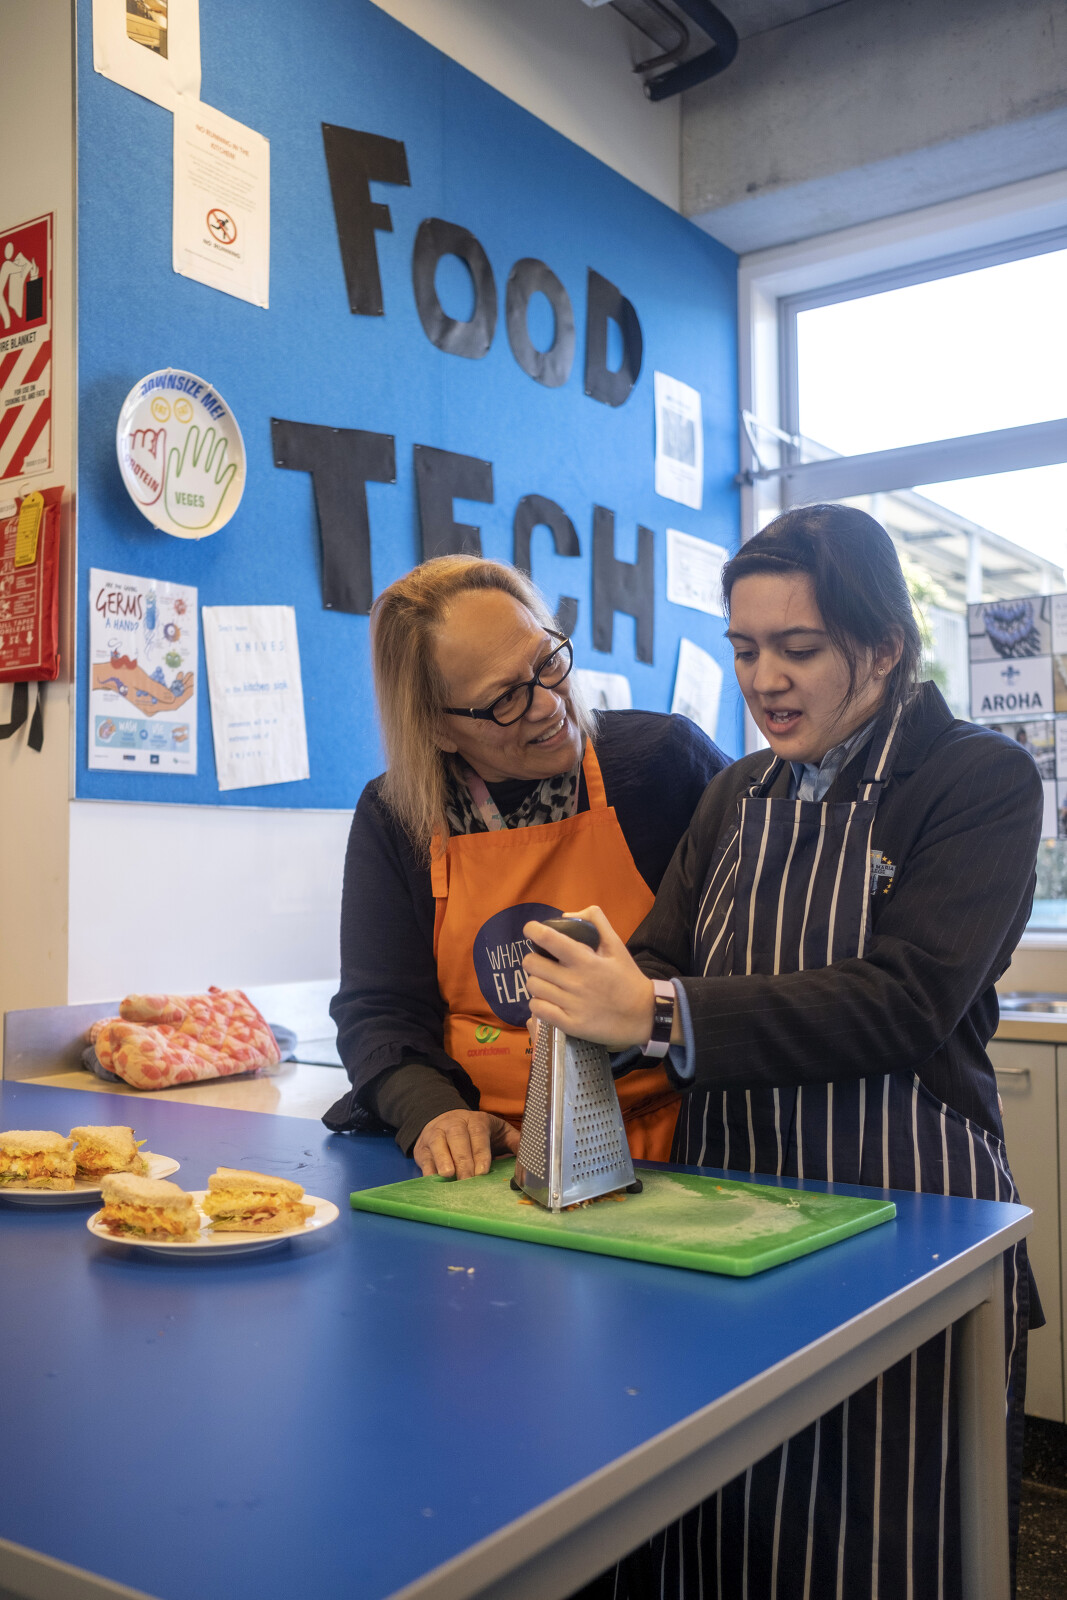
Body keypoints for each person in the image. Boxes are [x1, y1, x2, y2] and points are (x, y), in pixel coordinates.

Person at [522, 504, 1043, 1600]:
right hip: (729, 1215)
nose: (765, 680)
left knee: (890, 1527)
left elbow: (902, 1002)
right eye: (745, 648)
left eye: (798, 649)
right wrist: (584, 1000)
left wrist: (653, 1013)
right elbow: (661, 955)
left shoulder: (976, 780)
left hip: (910, 1220)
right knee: (735, 1517)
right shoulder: (734, 794)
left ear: (883, 646)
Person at [323, 555, 729, 1175]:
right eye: (505, 699)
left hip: (675, 1145)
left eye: (547, 663)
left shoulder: (662, 766)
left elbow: (755, 964)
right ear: (437, 728)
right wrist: (434, 1113)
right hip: (490, 1159)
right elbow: (379, 1013)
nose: (547, 705)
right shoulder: (396, 814)